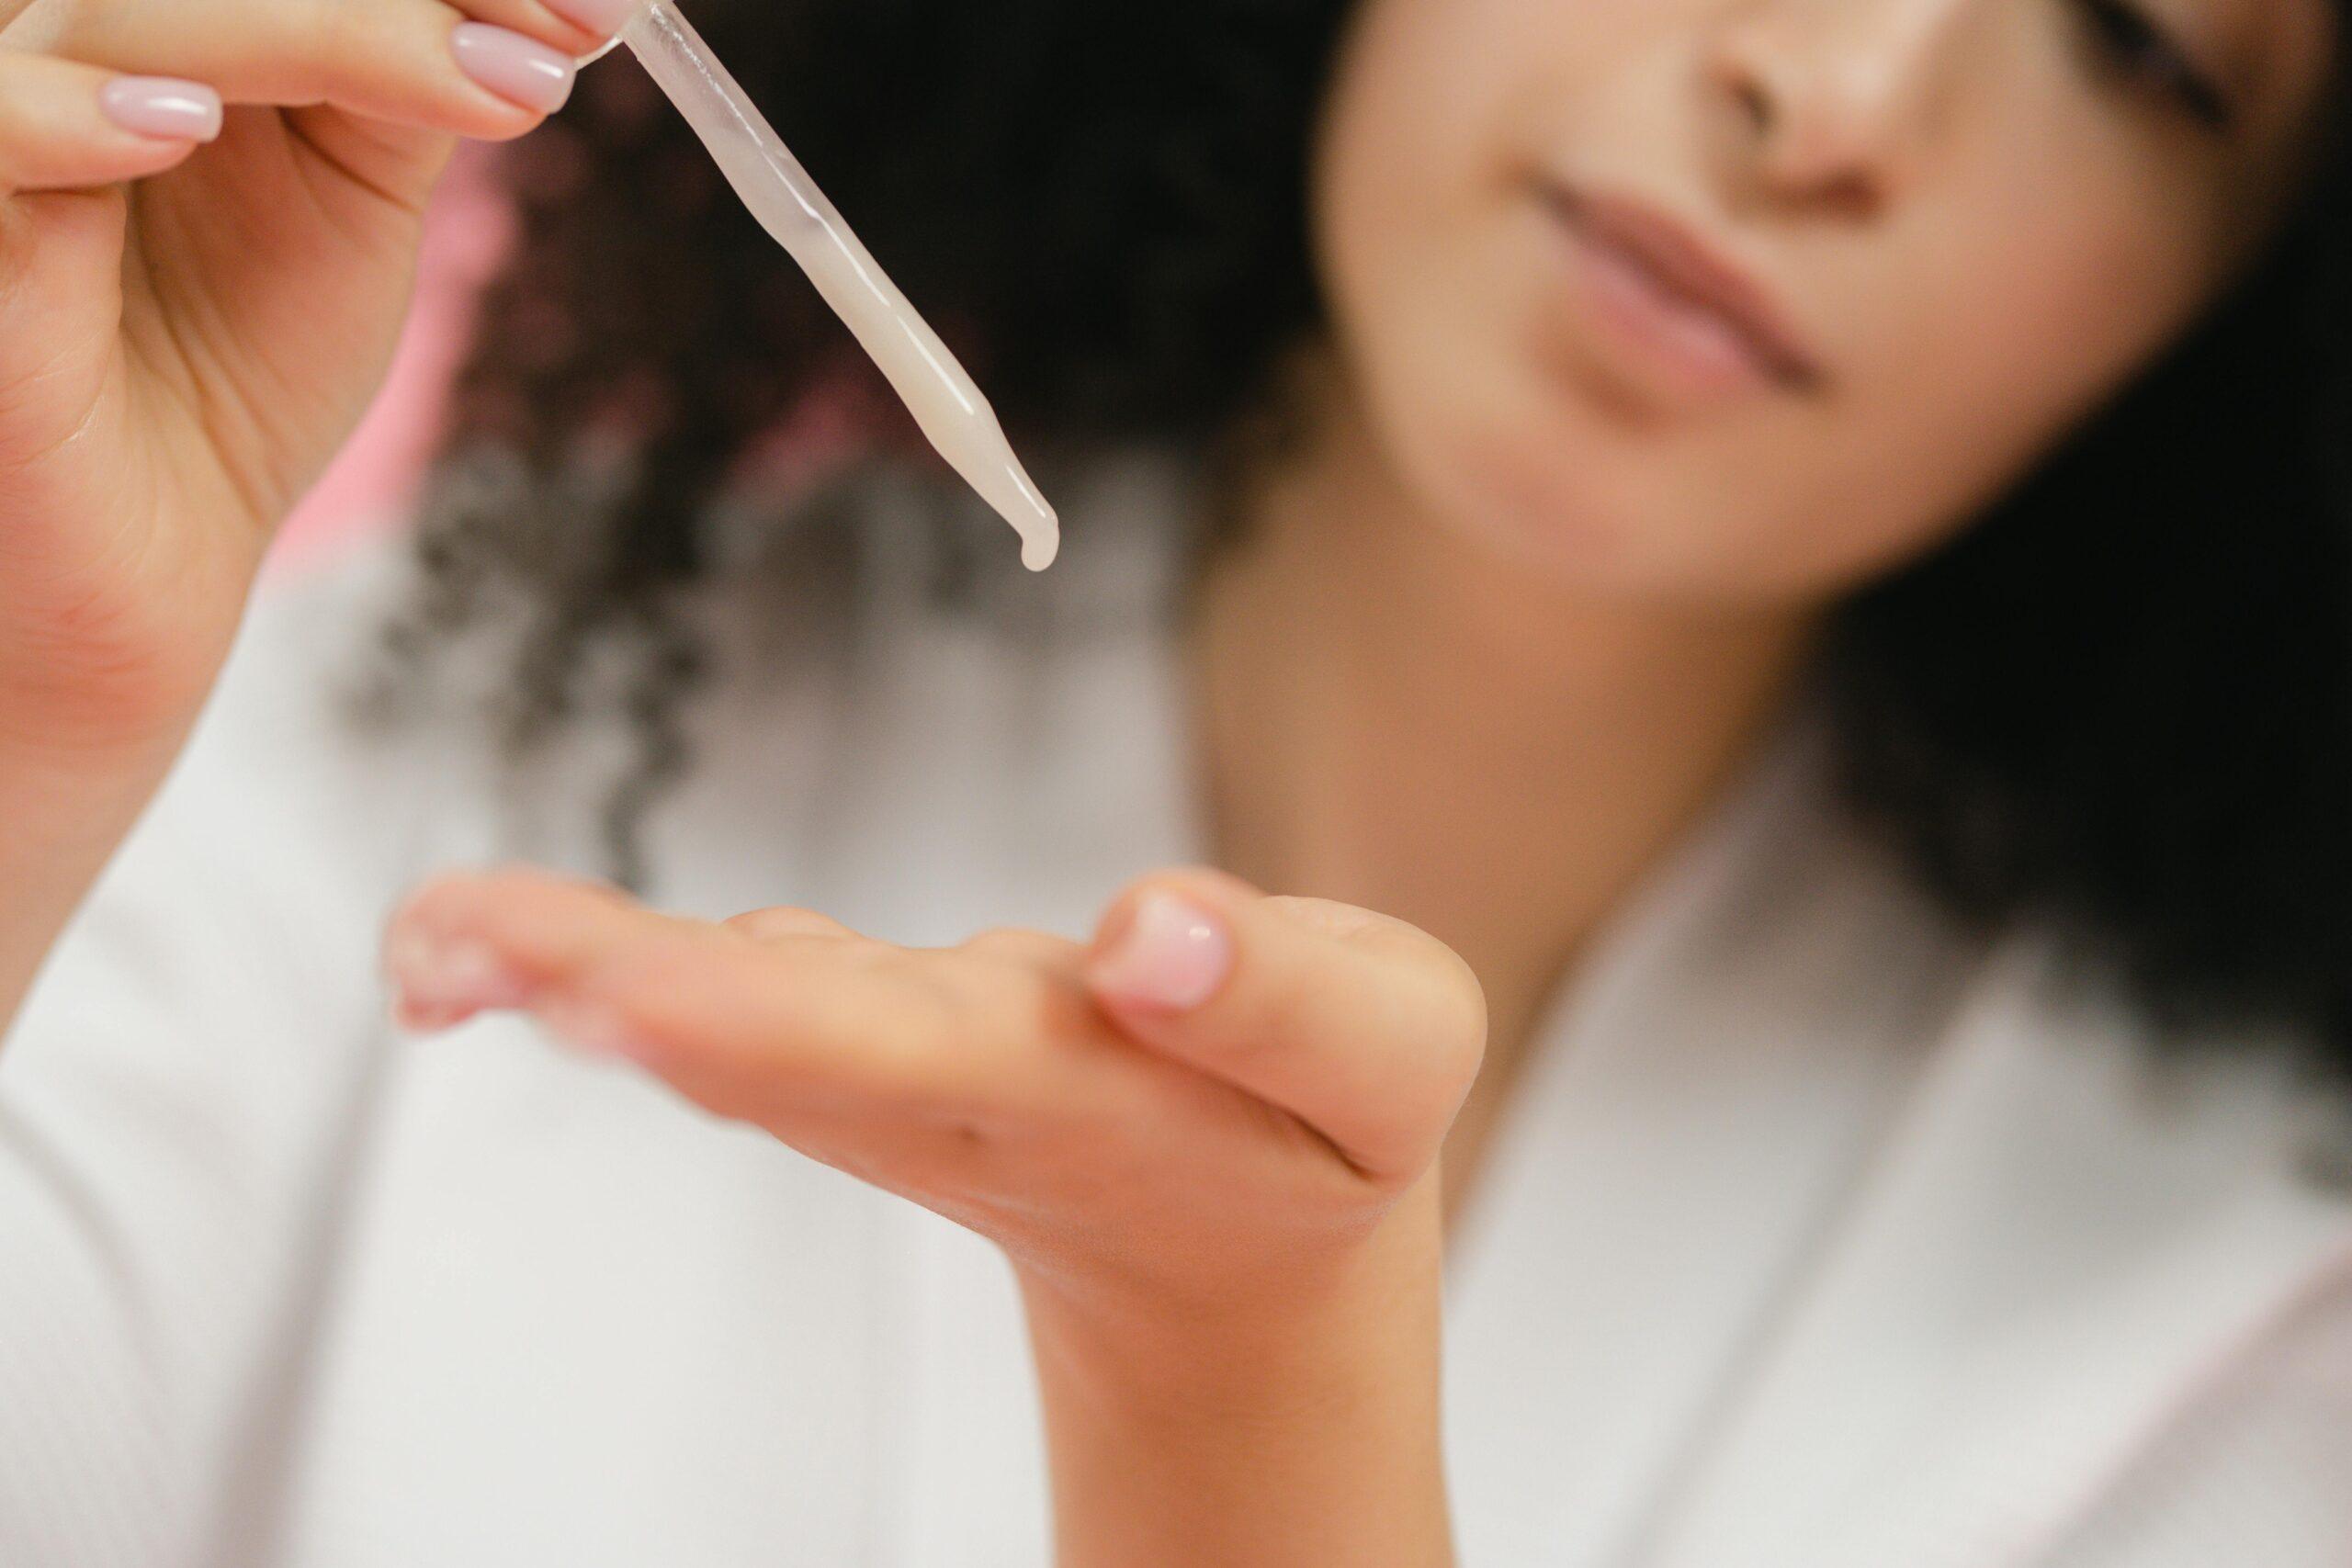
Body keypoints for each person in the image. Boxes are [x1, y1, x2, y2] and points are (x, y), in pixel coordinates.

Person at [3, 0, 2348, 1562]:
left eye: (2136, 43)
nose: (1827, 92)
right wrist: (35, 715)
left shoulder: (2240, 1316)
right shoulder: (442, 705)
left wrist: (1237, 1404)